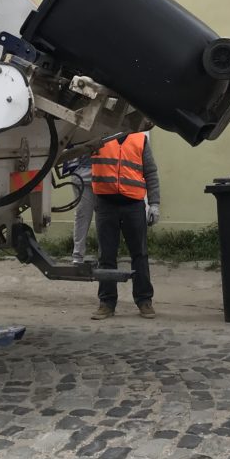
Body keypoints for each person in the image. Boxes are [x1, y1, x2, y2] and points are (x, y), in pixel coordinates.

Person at [88, 132, 161, 320]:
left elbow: (150, 172)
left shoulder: (139, 139)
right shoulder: (99, 137)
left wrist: (154, 203)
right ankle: (106, 303)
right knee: (106, 255)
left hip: (133, 204)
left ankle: (144, 301)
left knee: (139, 254)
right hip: (105, 204)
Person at [68, 154, 95, 264]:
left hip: (102, 173)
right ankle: (78, 255)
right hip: (84, 174)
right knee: (82, 215)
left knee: (104, 216)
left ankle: (106, 255)